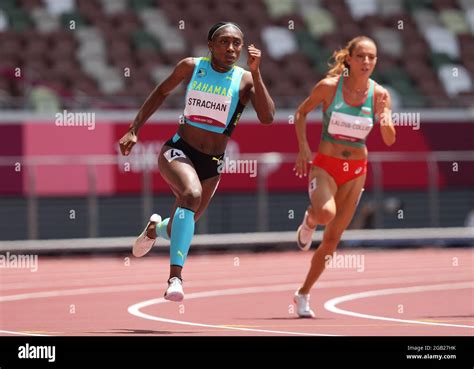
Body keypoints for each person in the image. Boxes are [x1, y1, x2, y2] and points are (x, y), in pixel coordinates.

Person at [118, 22, 275, 302]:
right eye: (224, 42)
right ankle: (175, 279)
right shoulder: (191, 67)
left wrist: (257, 72)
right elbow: (161, 92)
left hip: (212, 163)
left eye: (236, 43)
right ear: (210, 45)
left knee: (182, 223)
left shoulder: (245, 80)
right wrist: (134, 128)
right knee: (190, 195)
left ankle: (155, 228)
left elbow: (267, 117)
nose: (231, 48)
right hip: (178, 150)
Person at [292, 36, 396, 317]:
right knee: (325, 214)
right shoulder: (329, 88)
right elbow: (300, 114)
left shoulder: (379, 95)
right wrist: (303, 148)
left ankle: (303, 294)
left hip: (356, 171)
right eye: (360, 56)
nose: (366, 62)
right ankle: (311, 218)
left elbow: (388, 139)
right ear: (348, 58)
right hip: (326, 164)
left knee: (333, 240)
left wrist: (384, 116)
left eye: (371, 57)